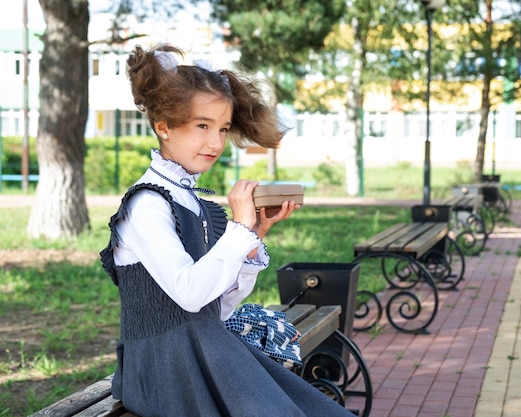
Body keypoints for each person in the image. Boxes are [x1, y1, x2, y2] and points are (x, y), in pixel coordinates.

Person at [100, 44, 354, 417]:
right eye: (202, 126)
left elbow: (217, 308)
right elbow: (190, 294)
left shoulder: (196, 201)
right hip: (162, 368)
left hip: (205, 349)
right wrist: (237, 229)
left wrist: (252, 240)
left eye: (221, 128)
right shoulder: (146, 205)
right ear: (164, 126)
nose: (216, 143)